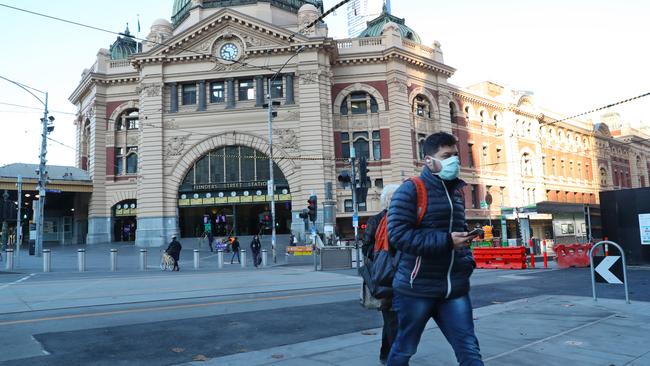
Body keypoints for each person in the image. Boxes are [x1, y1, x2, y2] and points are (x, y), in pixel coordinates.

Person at [387, 132, 483, 366]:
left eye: (456, 156)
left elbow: (459, 231)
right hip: (416, 289)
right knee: (404, 349)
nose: (454, 161)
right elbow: (398, 235)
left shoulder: (457, 192)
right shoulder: (410, 190)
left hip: (454, 289)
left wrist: (466, 259)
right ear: (429, 161)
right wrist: (447, 241)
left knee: (469, 349)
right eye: (447, 156)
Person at [363, 183, 401, 365]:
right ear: (387, 200)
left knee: (394, 319)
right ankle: (394, 358)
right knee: (393, 318)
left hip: (403, 276)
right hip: (386, 278)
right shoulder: (376, 221)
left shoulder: (406, 219)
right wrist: (383, 255)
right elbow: (366, 248)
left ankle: (386, 354)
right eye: (394, 198)